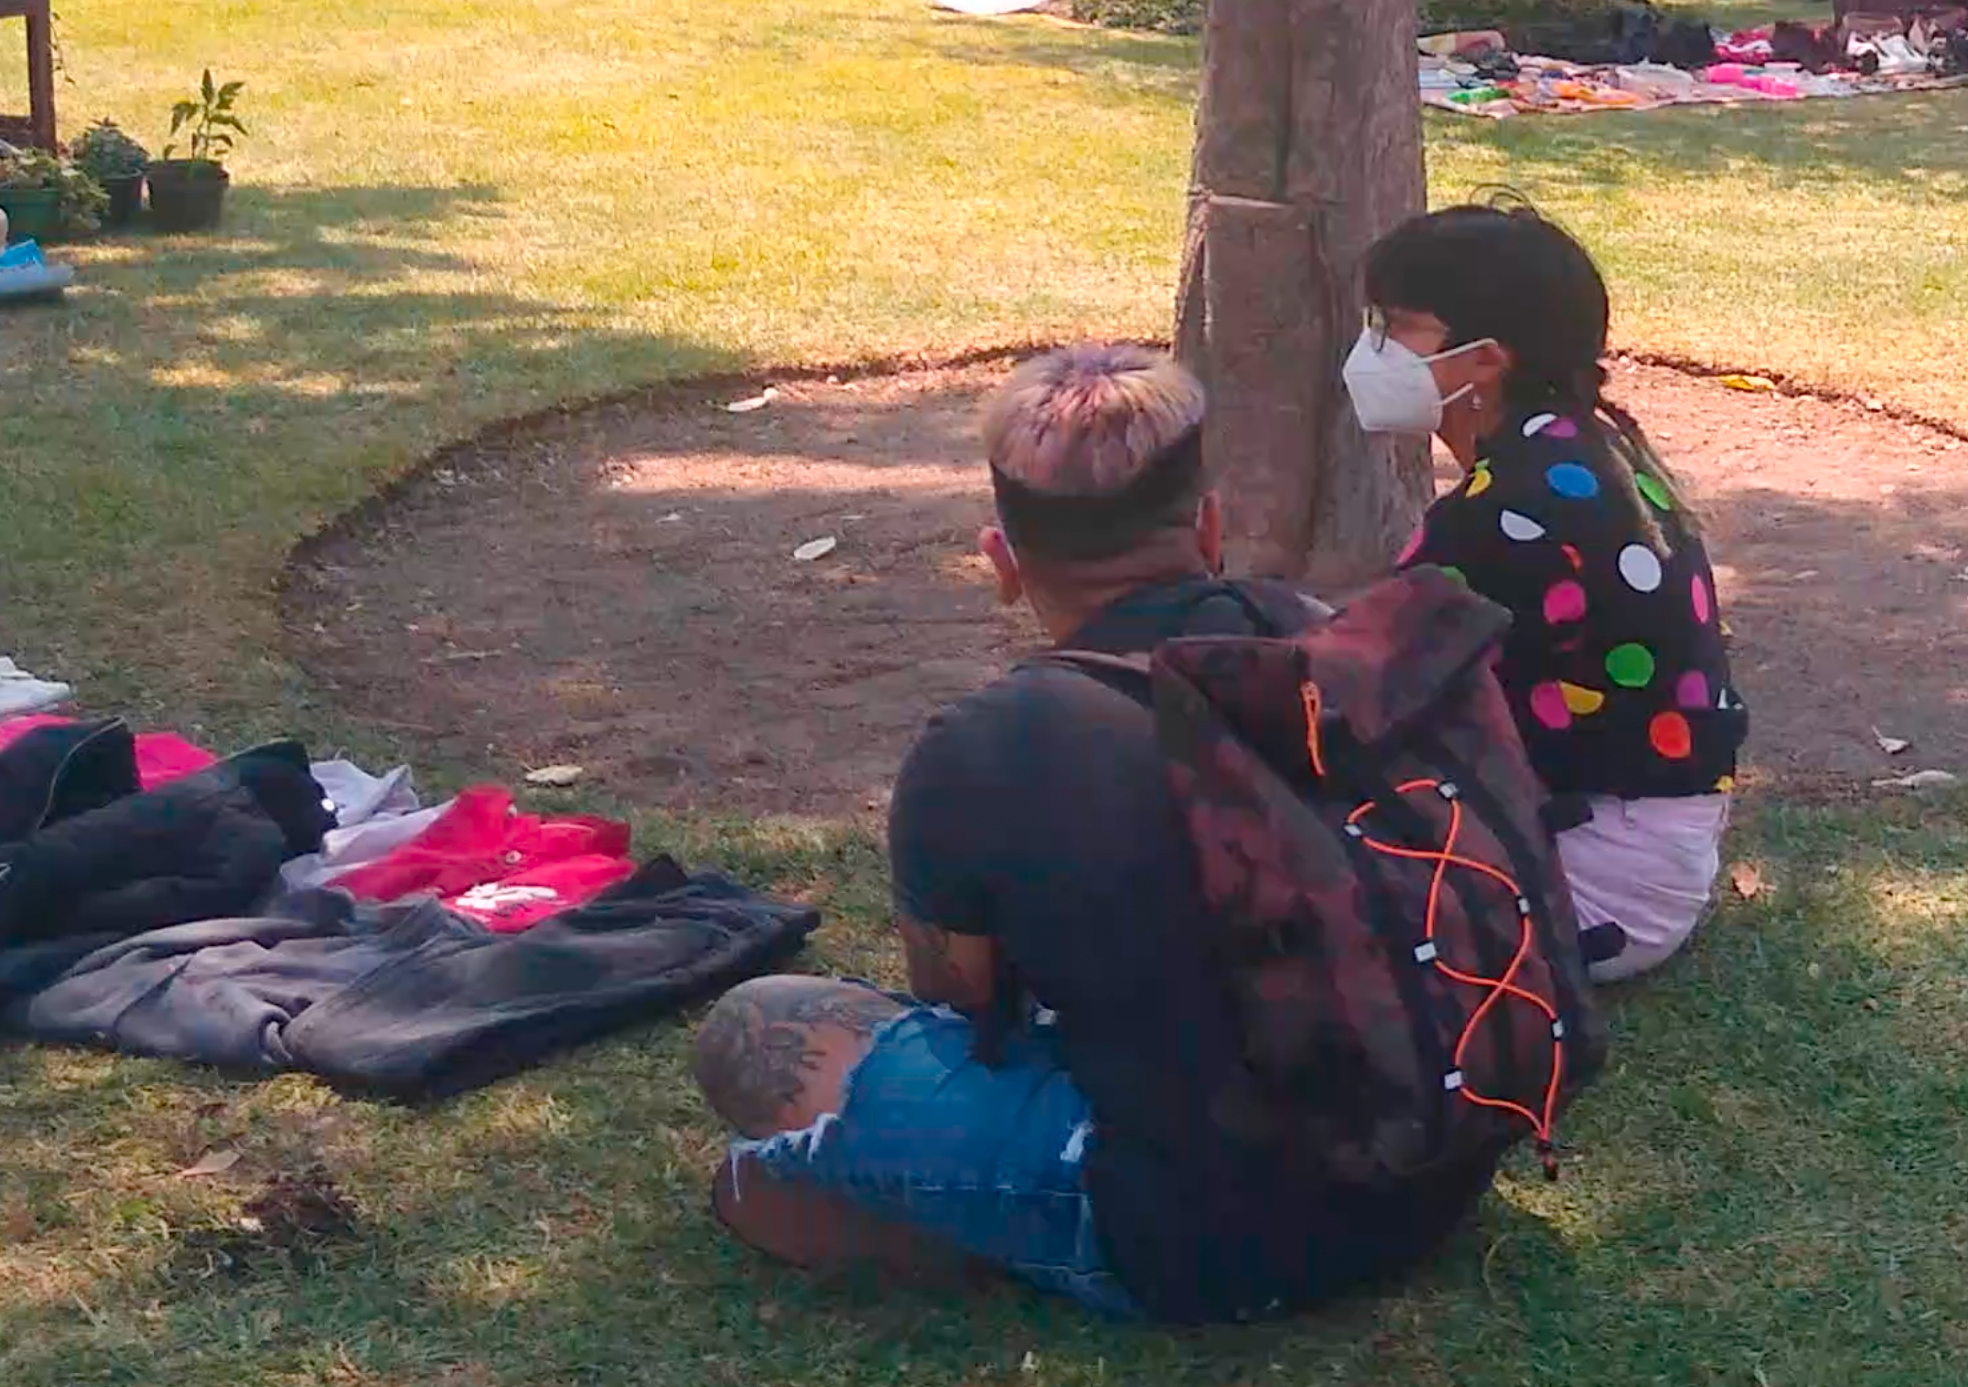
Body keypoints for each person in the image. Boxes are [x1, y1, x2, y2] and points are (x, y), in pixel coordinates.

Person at [696, 347, 1501, 1319]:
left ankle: (1001, 1235)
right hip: (1436, 1165)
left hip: (1210, 1241)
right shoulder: (1322, 631)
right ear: (1207, 528)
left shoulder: (982, 748)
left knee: (755, 1032)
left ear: (1000, 560)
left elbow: (962, 1007)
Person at [1354, 203, 1742, 985]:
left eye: (1397, 327)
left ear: (1486, 359)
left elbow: (1362, 695)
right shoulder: (1587, 444)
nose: (1374, 349)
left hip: (1598, 888)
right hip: (1646, 849)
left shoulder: (1505, 512)